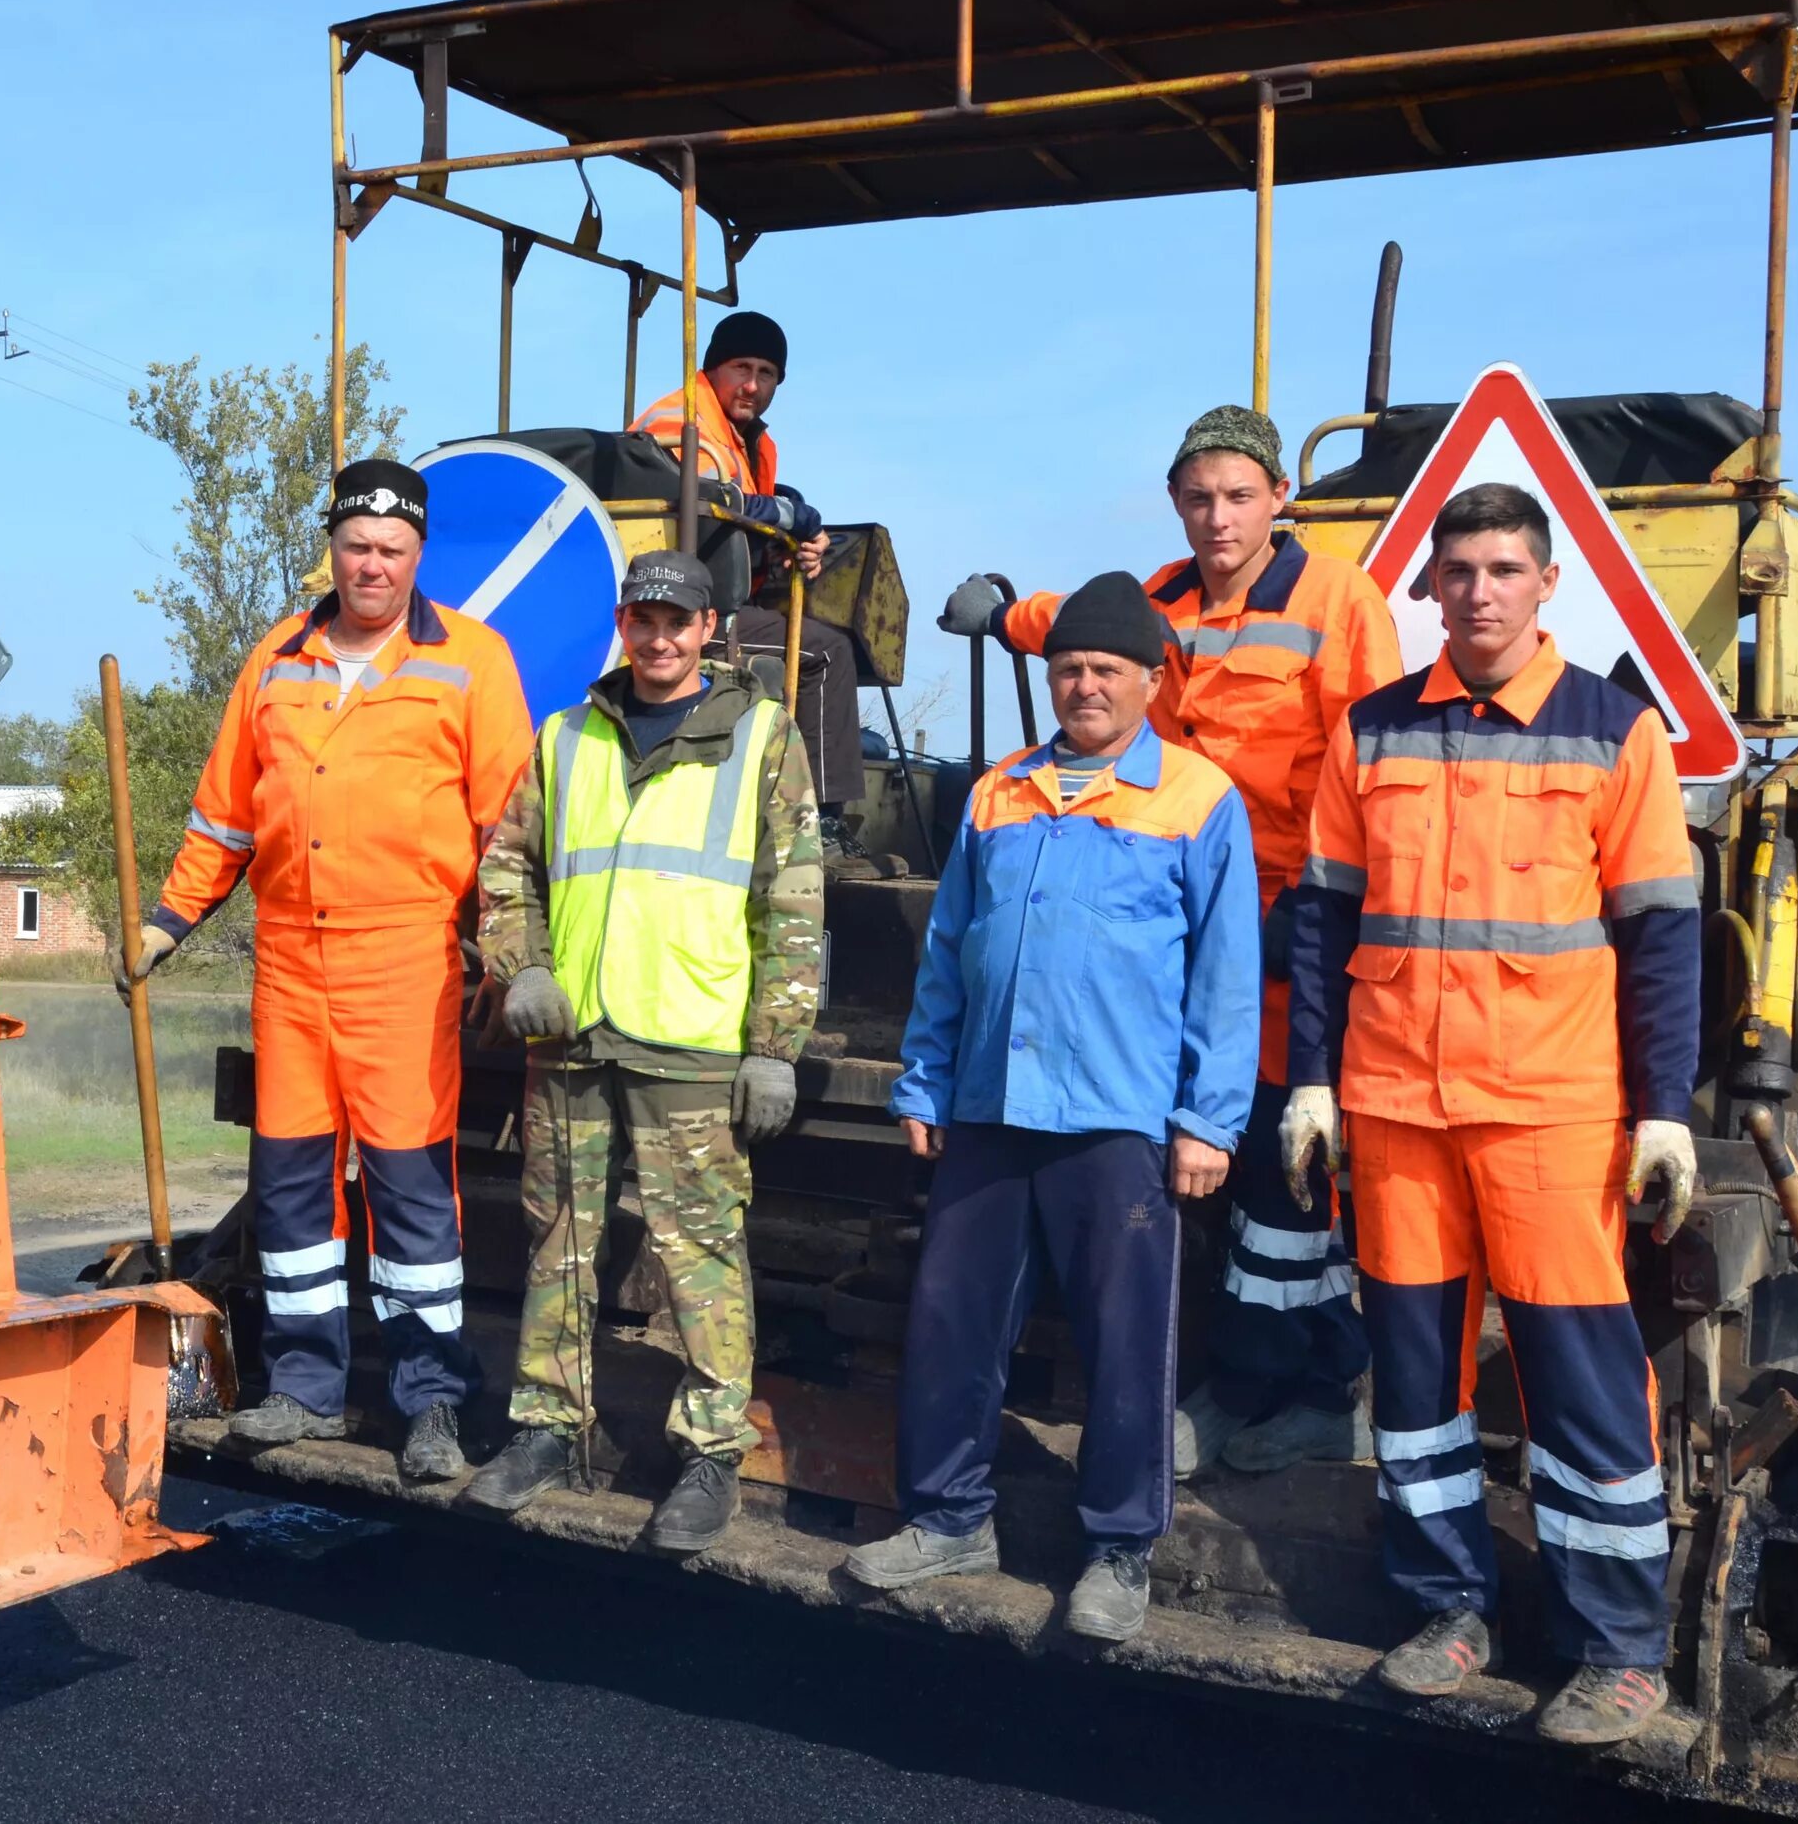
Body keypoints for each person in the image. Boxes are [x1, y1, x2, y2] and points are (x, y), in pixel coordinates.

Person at [1285, 481, 1700, 1743]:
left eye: (1504, 570)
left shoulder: (1614, 733)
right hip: (1399, 1104)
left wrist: (1665, 1111)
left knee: (1582, 1384)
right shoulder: (1370, 733)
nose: (1478, 592)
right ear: (1430, 588)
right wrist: (1312, 1078)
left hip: (1552, 1114)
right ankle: (1449, 1608)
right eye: (1457, 571)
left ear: (1547, 582)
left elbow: (1663, 937)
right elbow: (1321, 919)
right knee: (1415, 1378)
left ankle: (1620, 1647)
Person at [942, 406, 1402, 1477]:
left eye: (1239, 496)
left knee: (1280, 1155)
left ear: (1280, 498)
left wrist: (1326, 905)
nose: (1218, 517)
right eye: (1198, 498)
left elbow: (1370, 763)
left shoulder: (1338, 600)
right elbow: (1077, 624)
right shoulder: (1163, 598)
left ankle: (1306, 1385)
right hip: (1168, 915)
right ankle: (1221, 1376)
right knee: (1192, 1151)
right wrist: (1009, 614)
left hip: (1286, 913)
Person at [845, 571, 1256, 1644]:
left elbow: (1224, 972)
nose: (1085, 685)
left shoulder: (1200, 799)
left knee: (1127, 1342)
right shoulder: (998, 792)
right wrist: (925, 1078)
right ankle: (947, 1519)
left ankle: (1120, 1551)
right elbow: (949, 955)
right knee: (953, 1321)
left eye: (1107, 670)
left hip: (1118, 1119)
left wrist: (1210, 1120)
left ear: (1149, 681)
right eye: (1069, 667)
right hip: (989, 1104)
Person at [125, 458, 534, 1482]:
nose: (374, 566)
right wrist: (170, 919)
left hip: (406, 963)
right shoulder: (277, 657)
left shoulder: (472, 662)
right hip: (292, 964)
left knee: (409, 1192)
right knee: (294, 1189)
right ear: (334, 547)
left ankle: (430, 1402)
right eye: (358, 546)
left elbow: (509, 830)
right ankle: (302, 1389)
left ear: (419, 556)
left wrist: (514, 956)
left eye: (393, 551)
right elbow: (225, 808)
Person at [463, 550, 824, 1550]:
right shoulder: (564, 735)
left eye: (678, 621)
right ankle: (543, 1427)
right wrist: (518, 966)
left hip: (695, 1044)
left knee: (699, 1254)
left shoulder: (760, 738)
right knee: (558, 1243)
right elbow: (506, 865)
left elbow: (793, 900)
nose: (659, 638)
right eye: (643, 619)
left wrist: (775, 1047)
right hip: (573, 1039)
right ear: (621, 625)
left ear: (708, 630)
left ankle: (711, 1455)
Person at [629, 311, 874, 870]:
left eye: (767, 374)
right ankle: (822, 825)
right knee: (827, 654)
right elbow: (715, 501)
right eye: (741, 367)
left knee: (827, 635)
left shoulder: (741, 437)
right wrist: (793, 515)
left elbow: (745, 520)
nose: (753, 385)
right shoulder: (680, 422)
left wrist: (794, 542)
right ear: (712, 368)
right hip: (678, 612)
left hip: (719, 596)